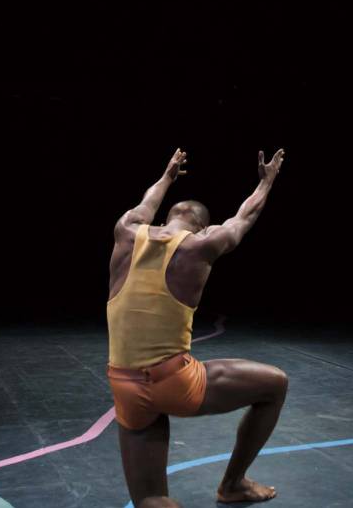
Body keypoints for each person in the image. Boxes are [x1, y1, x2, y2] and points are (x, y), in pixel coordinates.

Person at [107, 148, 288, 506]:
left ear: (165, 218)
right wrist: (267, 182)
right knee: (275, 385)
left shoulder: (126, 231)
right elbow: (243, 217)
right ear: (203, 227)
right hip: (176, 382)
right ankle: (233, 484)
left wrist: (167, 176)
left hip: (124, 386)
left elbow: (146, 203)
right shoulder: (202, 245)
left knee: (152, 499)